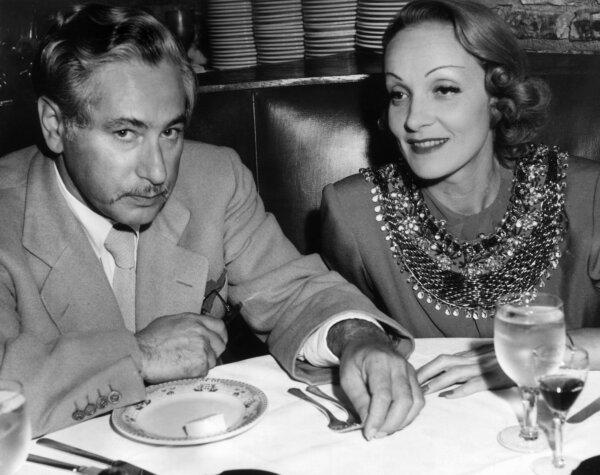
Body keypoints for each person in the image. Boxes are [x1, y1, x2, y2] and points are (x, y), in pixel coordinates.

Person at [0, 4, 424, 438]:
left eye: (170, 132)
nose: (159, 172)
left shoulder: (215, 179)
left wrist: (356, 338)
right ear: (55, 125)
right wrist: (140, 354)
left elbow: (293, 289)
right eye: (125, 133)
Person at [321, 0, 600, 399]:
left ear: (498, 99)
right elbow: (343, 335)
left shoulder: (586, 193)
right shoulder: (353, 212)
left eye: (444, 89)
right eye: (399, 93)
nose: (414, 119)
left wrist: (541, 355)